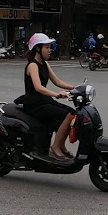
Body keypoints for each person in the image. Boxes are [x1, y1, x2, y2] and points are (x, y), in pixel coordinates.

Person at [17, 33, 80, 162]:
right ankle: (55, 147)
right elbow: (38, 87)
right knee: (67, 115)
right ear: (38, 49)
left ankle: (61, 145)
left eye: (50, 47)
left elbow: (57, 81)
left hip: (44, 100)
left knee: (73, 113)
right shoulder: (32, 65)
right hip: (34, 103)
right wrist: (57, 94)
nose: (50, 50)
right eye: (46, 47)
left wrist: (75, 88)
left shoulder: (45, 64)